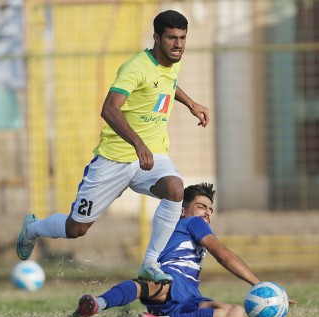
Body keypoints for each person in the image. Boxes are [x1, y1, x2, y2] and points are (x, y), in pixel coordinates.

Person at [16, 10, 209, 284]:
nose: (178, 44)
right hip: (114, 159)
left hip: (152, 158)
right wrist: (138, 144)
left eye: (182, 38)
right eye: (171, 38)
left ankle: (150, 263)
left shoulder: (172, 61)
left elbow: (167, 84)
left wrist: (191, 104)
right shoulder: (136, 67)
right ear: (156, 37)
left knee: (175, 189)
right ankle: (33, 228)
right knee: (76, 228)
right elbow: (109, 109)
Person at [71, 183, 296, 317]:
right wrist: (259, 285)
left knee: (236, 313)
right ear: (183, 210)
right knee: (145, 285)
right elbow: (223, 254)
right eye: (201, 206)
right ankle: (97, 304)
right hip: (168, 280)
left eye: (210, 209)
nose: (207, 212)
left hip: (188, 295)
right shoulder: (192, 222)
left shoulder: (180, 227)